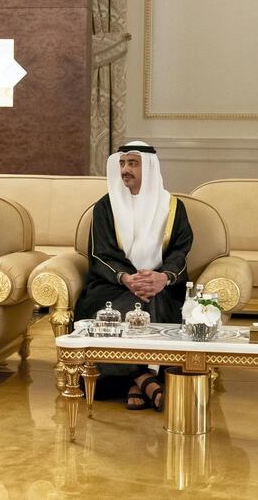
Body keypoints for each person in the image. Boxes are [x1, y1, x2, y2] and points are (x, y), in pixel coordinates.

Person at [74, 141, 193, 411]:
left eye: (133, 163)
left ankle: (135, 380)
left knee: (156, 302)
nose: (125, 170)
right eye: (122, 163)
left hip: (161, 285)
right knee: (116, 312)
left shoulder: (173, 207)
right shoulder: (105, 206)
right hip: (112, 285)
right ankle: (144, 378)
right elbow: (101, 253)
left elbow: (181, 250)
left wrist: (163, 278)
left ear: (149, 168)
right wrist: (127, 278)